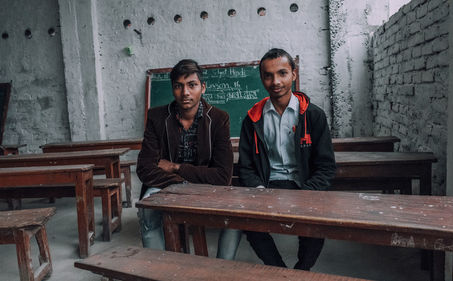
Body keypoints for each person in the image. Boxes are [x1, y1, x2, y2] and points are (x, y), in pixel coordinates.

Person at [238, 48, 336, 270]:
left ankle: (302, 271)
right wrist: (258, 190)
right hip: (268, 184)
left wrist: (307, 194)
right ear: (262, 78)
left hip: (304, 185)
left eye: (282, 73)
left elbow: (326, 167)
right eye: (268, 75)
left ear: (294, 74)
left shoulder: (313, 115)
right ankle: (279, 270)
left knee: (316, 224)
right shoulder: (253, 119)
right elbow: (245, 167)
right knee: (249, 223)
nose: (275, 81)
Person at [136, 59, 236, 258]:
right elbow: (145, 168)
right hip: (168, 186)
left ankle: (222, 270)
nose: (185, 93)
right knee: (147, 208)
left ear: (203, 87)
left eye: (192, 85)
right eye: (178, 86)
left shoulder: (218, 118)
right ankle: (159, 270)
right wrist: (183, 183)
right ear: (172, 89)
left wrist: (175, 167)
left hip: (207, 188)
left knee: (236, 215)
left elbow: (223, 176)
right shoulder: (156, 117)